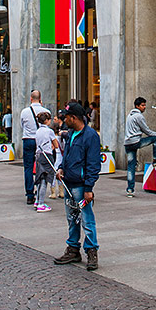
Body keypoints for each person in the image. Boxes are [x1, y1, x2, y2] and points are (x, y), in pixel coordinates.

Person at [53, 101, 101, 271]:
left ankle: (91, 251)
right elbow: (67, 156)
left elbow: (94, 164)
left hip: (81, 186)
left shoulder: (90, 136)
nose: (64, 120)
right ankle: (73, 249)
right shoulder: (71, 134)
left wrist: (89, 188)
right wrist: (61, 169)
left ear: (73, 117)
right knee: (72, 218)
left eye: (66, 117)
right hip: (69, 183)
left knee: (87, 219)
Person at [123, 97, 156, 198]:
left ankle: (130, 190)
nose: (144, 107)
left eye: (144, 105)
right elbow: (147, 131)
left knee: (131, 166)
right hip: (135, 141)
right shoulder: (139, 116)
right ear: (137, 106)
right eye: (142, 105)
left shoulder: (129, 115)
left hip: (128, 143)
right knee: (155, 138)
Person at [21, 90, 50, 205]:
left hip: (28, 139)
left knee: (28, 167)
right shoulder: (46, 111)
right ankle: (39, 190)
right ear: (41, 99)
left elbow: (22, 125)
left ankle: (29, 194)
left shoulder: (25, 112)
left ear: (31, 99)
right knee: (41, 166)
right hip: (41, 141)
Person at [34, 111, 62, 212]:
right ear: (46, 121)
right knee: (44, 180)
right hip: (47, 156)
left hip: (38, 156)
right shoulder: (49, 131)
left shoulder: (38, 131)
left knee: (39, 179)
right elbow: (56, 144)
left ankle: (37, 200)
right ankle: (41, 203)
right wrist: (52, 146)